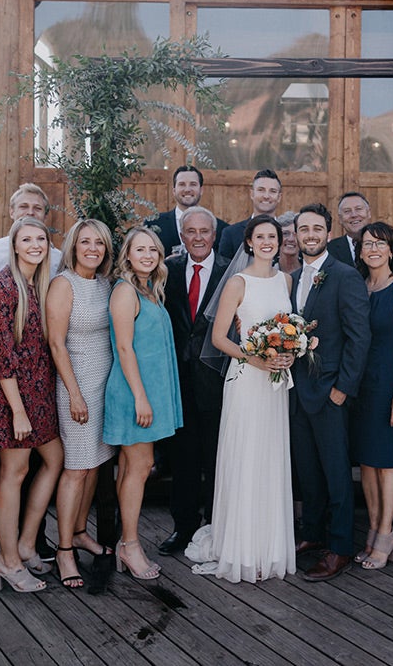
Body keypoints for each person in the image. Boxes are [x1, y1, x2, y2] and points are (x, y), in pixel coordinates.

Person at [186, 215, 297, 582]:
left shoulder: (286, 279)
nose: (267, 242)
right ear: (248, 242)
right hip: (247, 380)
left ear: (280, 242)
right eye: (260, 237)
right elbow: (218, 338)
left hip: (275, 385)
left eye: (273, 237)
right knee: (246, 457)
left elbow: (290, 328)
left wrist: (288, 355)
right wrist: (257, 359)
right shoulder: (237, 281)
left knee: (270, 458)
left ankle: (269, 546)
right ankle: (241, 547)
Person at [0, 182, 61, 578]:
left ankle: (26, 542)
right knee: (13, 473)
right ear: (15, 244)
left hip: (40, 389)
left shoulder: (40, 282)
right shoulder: (3, 286)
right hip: (13, 396)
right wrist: (18, 412)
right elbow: (2, 357)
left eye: (41, 237)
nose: (36, 244)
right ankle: (7, 560)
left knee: (54, 460)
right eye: (28, 239)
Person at [290, 203, 371, 581]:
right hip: (297, 392)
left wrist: (343, 389)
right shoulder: (290, 277)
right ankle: (313, 534)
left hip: (331, 393)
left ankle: (339, 548)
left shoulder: (344, 275)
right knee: (308, 470)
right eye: (303, 229)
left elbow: (360, 337)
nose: (310, 235)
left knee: (337, 472)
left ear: (327, 231)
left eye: (317, 228)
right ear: (296, 233)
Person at [104, 227, 184, 579]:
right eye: (141, 250)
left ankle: (125, 540)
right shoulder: (124, 292)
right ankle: (131, 545)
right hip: (133, 392)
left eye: (153, 249)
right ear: (128, 255)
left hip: (149, 389)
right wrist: (140, 397)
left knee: (130, 467)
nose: (148, 255)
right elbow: (123, 347)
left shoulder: (149, 290)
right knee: (140, 465)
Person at [45, 219, 118, 589]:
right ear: (73, 246)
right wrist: (73, 392)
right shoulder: (63, 284)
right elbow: (56, 343)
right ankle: (63, 550)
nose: (93, 248)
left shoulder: (104, 284)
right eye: (86, 242)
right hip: (77, 386)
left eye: (100, 243)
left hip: (105, 387)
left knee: (94, 465)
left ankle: (78, 531)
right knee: (75, 469)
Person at [159, 207, 231, 556]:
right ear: (183, 236)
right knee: (183, 458)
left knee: (218, 457)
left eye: (205, 231)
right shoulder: (167, 270)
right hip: (178, 382)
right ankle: (183, 527)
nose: (199, 237)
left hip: (219, 382)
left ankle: (217, 527)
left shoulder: (231, 271)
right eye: (191, 231)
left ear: (214, 235)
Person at [350, 221, 393, 571]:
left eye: (379, 244)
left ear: (391, 250)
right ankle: (374, 530)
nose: (373, 249)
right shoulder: (359, 287)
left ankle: (387, 533)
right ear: (359, 251)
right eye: (366, 244)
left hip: (386, 385)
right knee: (366, 463)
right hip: (359, 387)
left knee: (387, 463)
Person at [0, 183, 63, 307]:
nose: (30, 212)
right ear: (12, 212)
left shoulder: (58, 259)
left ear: (45, 216)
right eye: (23, 206)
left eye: (37, 208)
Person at [327, 191, 393, 281]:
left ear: (369, 213)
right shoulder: (329, 250)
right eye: (347, 211)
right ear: (340, 219)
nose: (354, 215)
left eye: (358, 209)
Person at [146, 165, 228, 256]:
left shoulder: (222, 229)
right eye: (182, 184)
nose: (187, 189)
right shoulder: (154, 224)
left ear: (201, 190)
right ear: (174, 191)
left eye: (193, 184)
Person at [218, 169, 282, 258]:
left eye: (273, 191)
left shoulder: (287, 233)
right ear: (252, 194)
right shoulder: (231, 234)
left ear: (279, 197)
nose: (266, 196)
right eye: (261, 190)